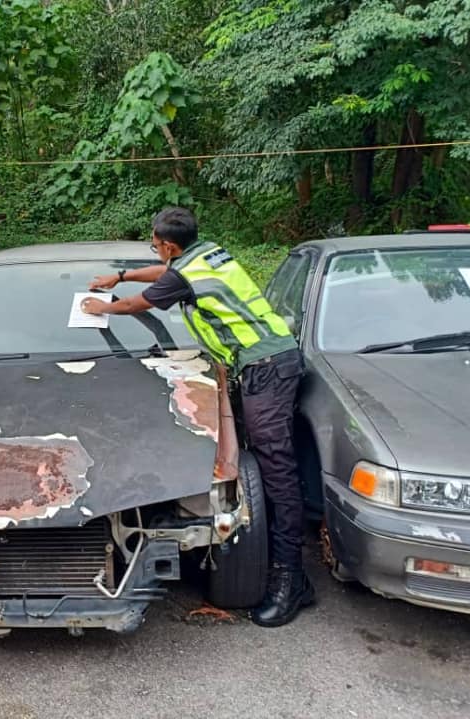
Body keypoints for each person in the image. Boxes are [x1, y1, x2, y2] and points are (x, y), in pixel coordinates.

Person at [81, 207, 313, 627]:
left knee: (277, 474)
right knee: (271, 467)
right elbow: (163, 275)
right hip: (271, 360)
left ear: (169, 245)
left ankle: (291, 580)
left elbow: (140, 303)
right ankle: (290, 570)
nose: (155, 250)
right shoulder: (205, 254)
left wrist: (104, 306)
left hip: (266, 369)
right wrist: (120, 277)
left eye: (155, 244)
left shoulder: (184, 273)